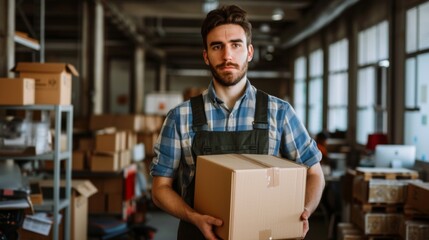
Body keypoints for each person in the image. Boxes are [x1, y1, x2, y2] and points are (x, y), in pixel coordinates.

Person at [150, 5, 325, 240]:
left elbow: (314, 173)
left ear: (250, 51)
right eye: (217, 47)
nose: (227, 56)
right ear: (206, 55)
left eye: (236, 44)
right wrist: (193, 216)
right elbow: (160, 188)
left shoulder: (279, 112)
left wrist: (303, 212)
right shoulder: (180, 117)